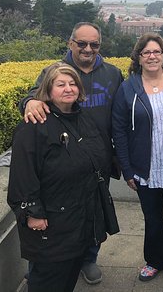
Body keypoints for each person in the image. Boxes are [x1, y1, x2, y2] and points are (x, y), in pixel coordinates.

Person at [19, 22, 124, 285]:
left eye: (94, 44)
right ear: (70, 43)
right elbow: (34, 96)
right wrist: (29, 102)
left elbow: (121, 116)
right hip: (60, 161)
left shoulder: (112, 73)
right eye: (82, 44)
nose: (88, 49)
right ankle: (41, 267)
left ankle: (87, 259)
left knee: (92, 213)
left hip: (96, 159)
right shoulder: (54, 71)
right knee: (56, 220)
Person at [8, 63, 106, 292]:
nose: (68, 88)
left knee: (69, 274)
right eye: (60, 84)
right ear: (47, 90)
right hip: (50, 219)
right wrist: (33, 213)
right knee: (48, 278)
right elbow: (23, 174)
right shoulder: (33, 125)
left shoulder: (83, 118)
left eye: (72, 84)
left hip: (79, 215)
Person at [112, 32, 163, 292]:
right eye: (146, 52)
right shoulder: (128, 87)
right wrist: (127, 169)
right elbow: (119, 131)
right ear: (138, 57)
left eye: (156, 52)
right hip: (144, 167)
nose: (151, 56)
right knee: (153, 218)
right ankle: (154, 261)